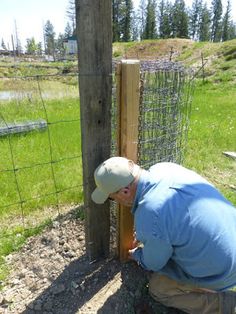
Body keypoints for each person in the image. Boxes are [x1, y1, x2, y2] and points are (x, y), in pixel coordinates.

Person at [91, 156, 236, 314]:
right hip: (229, 238)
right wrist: (149, 233)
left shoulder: (151, 212)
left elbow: (154, 263)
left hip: (225, 271)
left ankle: (226, 304)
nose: (114, 201)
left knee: (159, 289)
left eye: (112, 198)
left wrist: (138, 255)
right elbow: (173, 217)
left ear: (125, 191)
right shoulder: (164, 168)